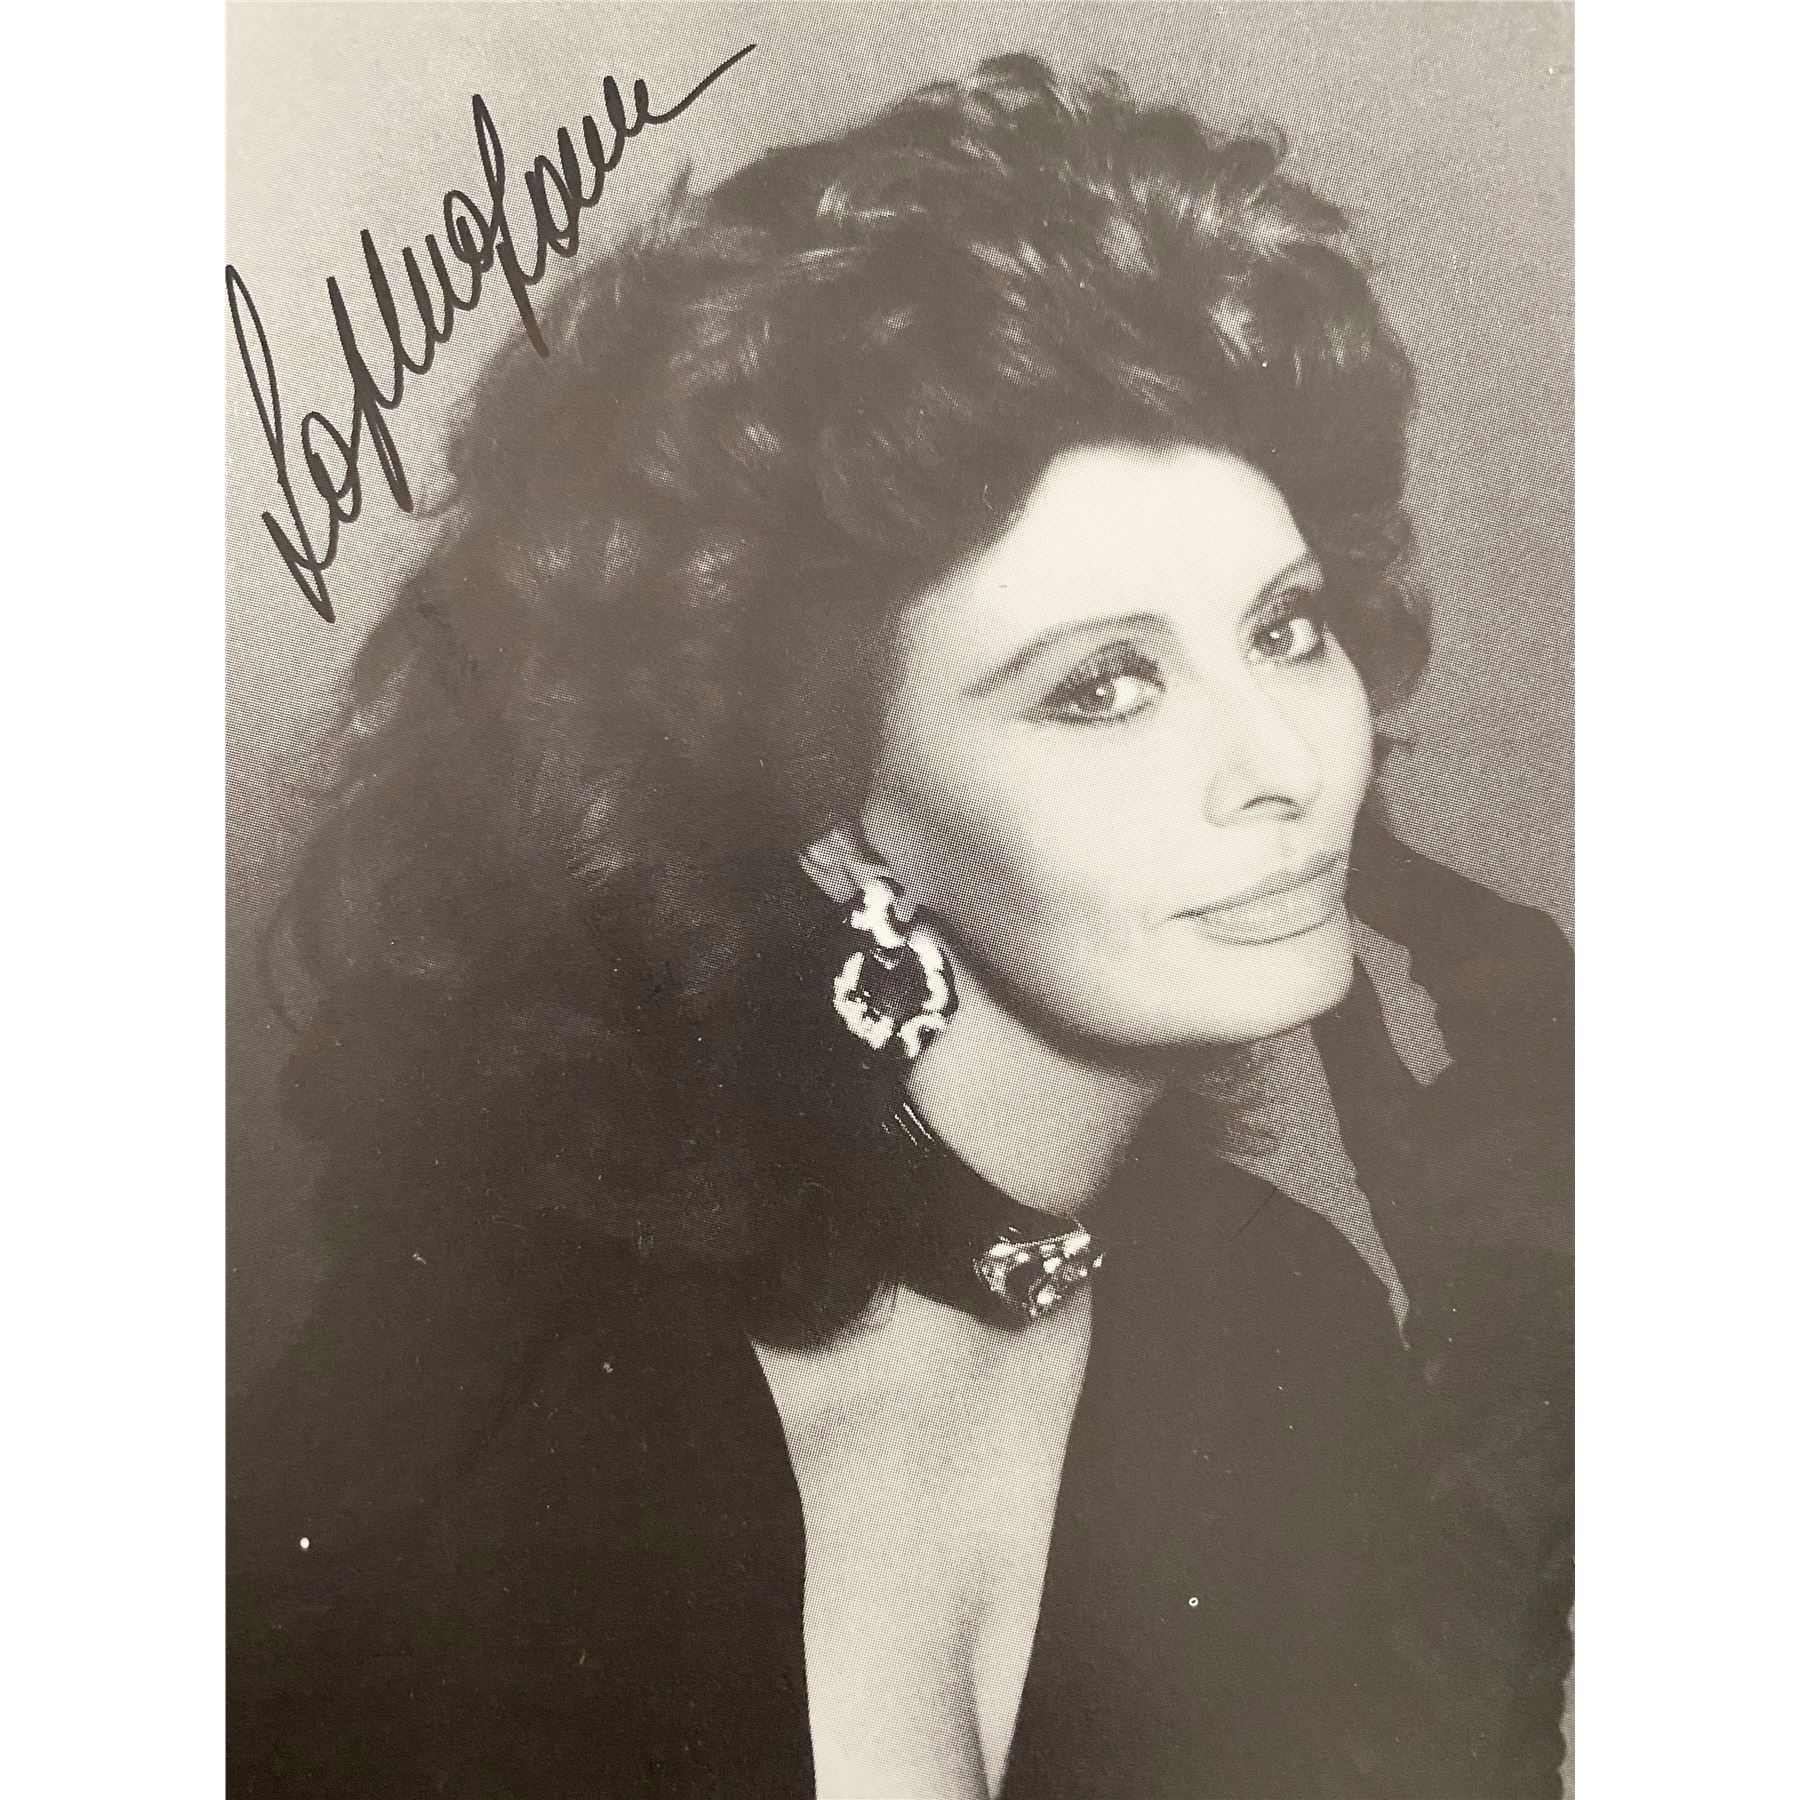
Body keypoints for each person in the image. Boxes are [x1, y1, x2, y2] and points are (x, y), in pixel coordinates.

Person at [229, 54, 1573, 1799]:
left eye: (1284, 626)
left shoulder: (1286, 1336)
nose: (1287, 765)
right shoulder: (498, 1421)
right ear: (835, 822)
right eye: (1103, 685)